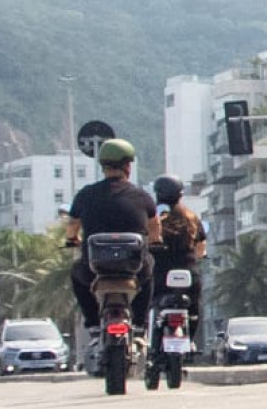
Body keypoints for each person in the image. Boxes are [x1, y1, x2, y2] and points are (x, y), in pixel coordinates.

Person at [66, 138, 158, 352]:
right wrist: (155, 242)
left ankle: (93, 326)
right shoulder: (142, 196)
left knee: (76, 275)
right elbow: (155, 229)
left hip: (94, 270)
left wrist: (73, 240)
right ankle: (138, 326)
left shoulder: (86, 195)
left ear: (103, 165)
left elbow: (72, 226)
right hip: (133, 271)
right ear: (128, 165)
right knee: (150, 273)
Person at [150, 174, 206, 342]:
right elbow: (201, 248)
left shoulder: (152, 218)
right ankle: (190, 342)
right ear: (180, 194)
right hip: (188, 275)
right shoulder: (191, 217)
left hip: (158, 275)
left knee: (146, 303)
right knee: (193, 308)